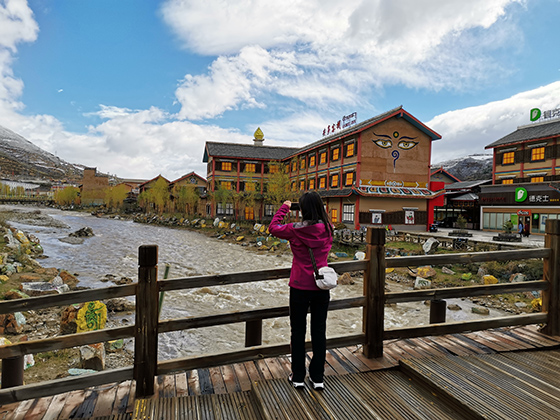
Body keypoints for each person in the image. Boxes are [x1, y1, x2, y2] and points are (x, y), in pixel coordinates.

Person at [268, 192, 334, 391]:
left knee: (297, 332)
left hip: (299, 286)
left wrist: (285, 208)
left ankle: (298, 376)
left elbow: (273, 228)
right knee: (319, 332)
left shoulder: (295, 230)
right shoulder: (329, 228)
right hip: (321, 286)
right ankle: (318, 378)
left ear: (303, 210)